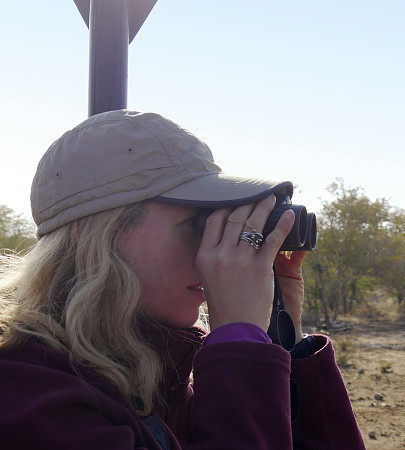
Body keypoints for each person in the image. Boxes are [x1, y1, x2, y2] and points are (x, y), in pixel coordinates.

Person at [0, 110, 366, 449]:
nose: (215, 252)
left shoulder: (155, 369)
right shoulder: (30, 400)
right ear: (93, 234)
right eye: (198, 224)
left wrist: (278, 336)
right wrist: (240, 343)